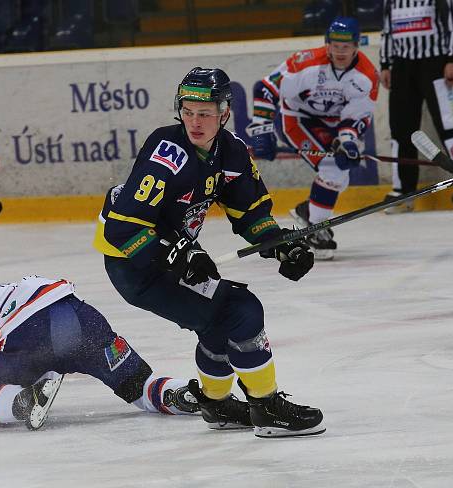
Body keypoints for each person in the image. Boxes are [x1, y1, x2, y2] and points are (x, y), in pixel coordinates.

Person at [92, 67, 324, 438]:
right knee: (241, 310)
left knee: (218, 319)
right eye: (188, 111)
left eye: (205, 112)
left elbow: (250, 213)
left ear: (224, 112)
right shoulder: (166, 151)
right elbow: (125, 229)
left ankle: (216, 405)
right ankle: (265, 407)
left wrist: (281, 245)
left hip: (174, 250)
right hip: (134, 262)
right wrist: (178, 256)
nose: (195, 121)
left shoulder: (231, 151)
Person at [0, 258, 218, 431]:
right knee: (137, 386)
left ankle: (23, 402)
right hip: (80, 316)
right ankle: (187, 396)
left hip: (32, 333)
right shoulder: (6, 295)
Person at [247, 17, 379, 259]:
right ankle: (314, 229)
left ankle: (309, 214)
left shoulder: (367, 76)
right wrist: (261, 129)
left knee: (340, 174)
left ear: (356, 45)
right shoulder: (304, 63)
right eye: (335, 45)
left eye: (346, 46)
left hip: (331, 125)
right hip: (297, 119)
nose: (340, 51)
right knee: (332, 169)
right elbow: (265, 88)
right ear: (327, 44)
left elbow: (355, 117)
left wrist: (347, 141)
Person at [380, 0, 453, 213]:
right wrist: (385, 64)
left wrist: (452, 59)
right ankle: (404, 189)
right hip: (401, 66)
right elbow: (387, 30)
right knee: (401, 129)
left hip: (436, 63)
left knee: (451, 125)